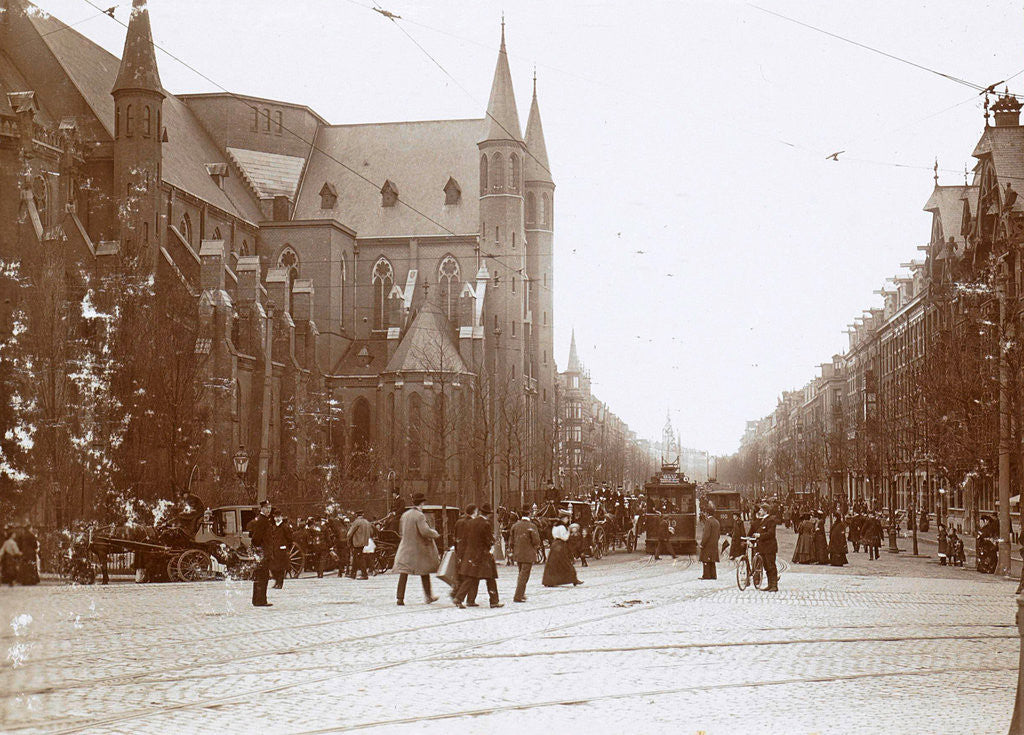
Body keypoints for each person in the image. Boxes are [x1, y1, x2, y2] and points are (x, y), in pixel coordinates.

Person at [392, 492, 441, 606]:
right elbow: (424, 531)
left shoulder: (405, 515)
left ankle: (400, 598)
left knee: (404, 573)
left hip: (405, 548)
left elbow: (401, 531)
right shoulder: (419, 515)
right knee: (424, 571)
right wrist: (435, 533)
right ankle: (428, 596)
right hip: (417, 549)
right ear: (422, 503)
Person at [453, 503, 503, 609]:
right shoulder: (486, 524)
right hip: (483, 555)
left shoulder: (471, 522)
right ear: (489, 514)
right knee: (491, 578)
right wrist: (492, 543)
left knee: (471, 577)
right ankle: (494, 601)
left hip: (471, 554)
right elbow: (488, 540)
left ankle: (459, 598)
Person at [246, 501, 273, 607]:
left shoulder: (263, 520)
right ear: (262, 508)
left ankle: (257, 600)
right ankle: (261, 600)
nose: (269, 510)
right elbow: (256, 538)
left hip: (261, 552)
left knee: (260, 576)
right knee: (263, 576)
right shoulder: (262, 521)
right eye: (267, 508)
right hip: (263, 553)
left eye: (270, 508)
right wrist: (260, 549)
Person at [510, 512, 541, 602]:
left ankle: (522, 593)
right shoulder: (532, 526)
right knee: (524, 576)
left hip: (518, 553)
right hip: (528, 554)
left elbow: (511, 541)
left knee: (521, 574)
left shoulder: (515, 526)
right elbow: (536, 541)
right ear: (529, 514)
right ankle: (518, 596)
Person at [451, 504, 476, 600]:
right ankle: (469, 598)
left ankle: (456, 591)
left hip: (460, 550)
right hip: (469, 550)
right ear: (473, 512)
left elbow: (455, 536)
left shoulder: (459, 522)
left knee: (461, 572)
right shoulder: (472, 523)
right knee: (471, 574)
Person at [752, 505, 779, 592]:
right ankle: (769, 585)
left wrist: (760, 535)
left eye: (761, 510)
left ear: (766, 511)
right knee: (766, 567)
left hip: (769, 547)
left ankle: (774, 585)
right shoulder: (763, 520)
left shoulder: (771, 520)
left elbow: (771, 534)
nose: (759, 511)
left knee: (771, 566)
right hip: (763, 548)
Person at [268, 509, 294, 589]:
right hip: (274, 550)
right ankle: (277, 582)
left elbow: (290, 539)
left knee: (281, 568)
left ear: (281, 517)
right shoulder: (273, 527)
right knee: (274, 568)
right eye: (276, 517)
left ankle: (280, 583)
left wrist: (286, 547)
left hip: (282, 550)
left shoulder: (285, 527)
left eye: (279, 517)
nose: (277, 518)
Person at [346, 510, 373, 580]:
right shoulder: (367, 522)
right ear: (362, 514)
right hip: (365, 542)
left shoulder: (356, 522)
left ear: (356, 515)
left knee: (360, 558)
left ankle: (364, 574)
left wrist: (348, 540)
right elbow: (371, 532)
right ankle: (353, 574)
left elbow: (349, 533)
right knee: (356, 557)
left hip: (357, 542)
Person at [699, 505, 721, 580]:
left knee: (706, 560)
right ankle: (713, 575)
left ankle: (706, 575)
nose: (705, 514)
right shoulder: (717, 521)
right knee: (712, 560)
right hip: (714, 544)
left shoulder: (708, 521)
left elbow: (706, 535)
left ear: (707, 513)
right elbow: (718, 535)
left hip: (708, 544)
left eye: (705, 513)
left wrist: (702, 544)